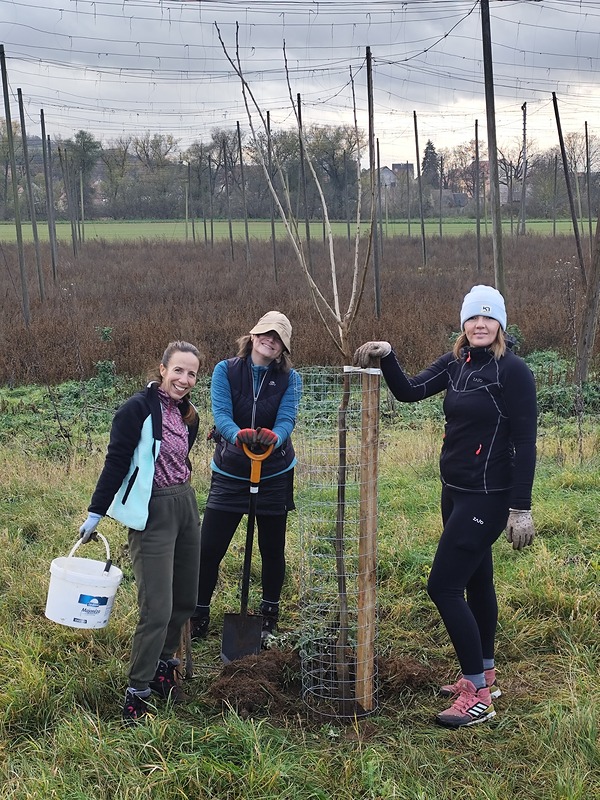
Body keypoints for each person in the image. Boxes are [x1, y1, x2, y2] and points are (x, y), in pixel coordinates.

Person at [354, 285, 537, 728]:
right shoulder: (457, 363)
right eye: (474, 317)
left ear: (501, 326)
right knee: (477, 580)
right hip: (453, 489)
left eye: (489, 318)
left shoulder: (512, 372)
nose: (480, 324)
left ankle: (477, 695)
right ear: (464, 323)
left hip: (488, 496)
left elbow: (525, 443)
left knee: (443, 587)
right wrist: (388, 354)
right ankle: (486, 673)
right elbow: (410, 391)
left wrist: (520, 508)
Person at [78, 341, 203, 725]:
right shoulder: (135, 410)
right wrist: (96, 512)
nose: (184, 379)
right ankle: (138, 690)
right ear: (162, 369)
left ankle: (166, 667)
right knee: (157, 608)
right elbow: (116, 461)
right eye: (178, 370)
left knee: (185, 600)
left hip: (185, 505)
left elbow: (181, 454)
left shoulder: (187, 412)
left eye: (192, 373)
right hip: (152, 514)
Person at [191, 311, 302, 645]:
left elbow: (287, 418)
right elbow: (221, 413)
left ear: (283, 347)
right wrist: (238, 435)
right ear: (253, 336)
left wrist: (275, 437)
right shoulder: (226, 370)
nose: (270, 340)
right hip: (230, 470)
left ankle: (268, 617)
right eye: (265, 333)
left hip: (275, 471)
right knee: (208, 547)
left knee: (272, 548)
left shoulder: (290, 378)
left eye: (278, 337)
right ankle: (199, 613)